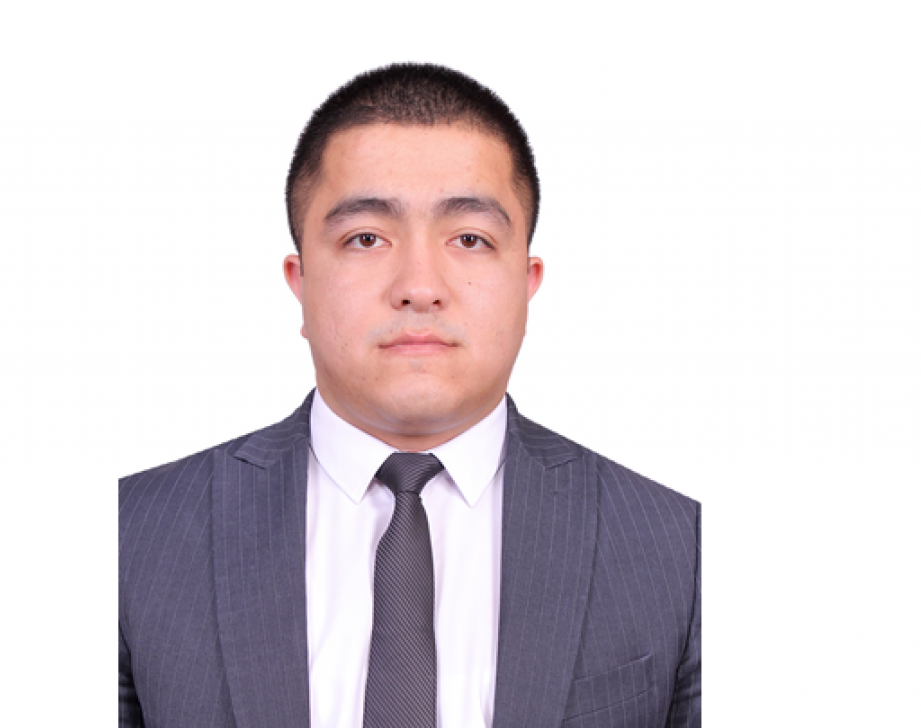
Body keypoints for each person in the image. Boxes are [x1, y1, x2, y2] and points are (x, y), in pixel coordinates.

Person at [119, 63, 700, 728]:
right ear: (300, 281)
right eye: (365, 238)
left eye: (470, 239)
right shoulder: (130, 536)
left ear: (527, 281)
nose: (420, 287)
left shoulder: (679, 548)